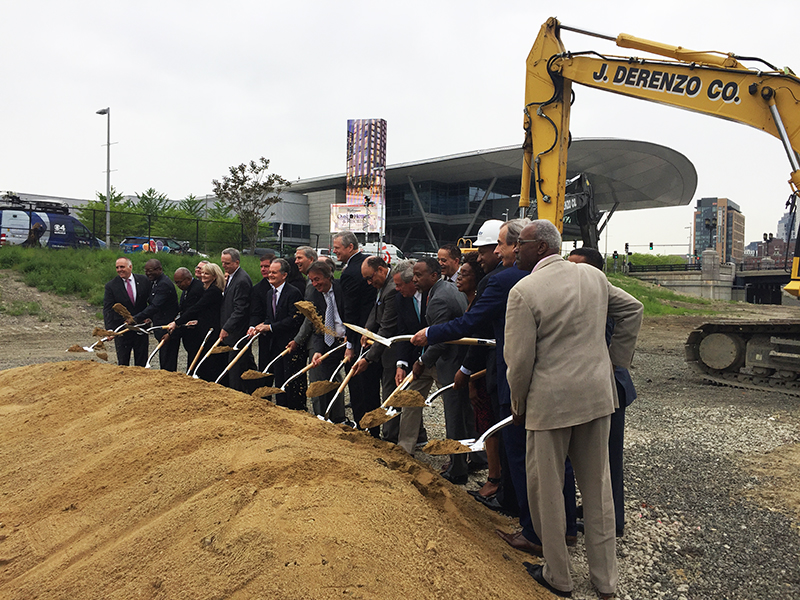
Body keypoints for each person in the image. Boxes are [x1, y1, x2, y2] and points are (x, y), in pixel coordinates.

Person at [505, 220, 642, 599]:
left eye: (521, 243)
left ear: (542, 247)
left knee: (546, 491)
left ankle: (558, 577)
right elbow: (633, 309)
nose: (516, 249)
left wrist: (518, 404)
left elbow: (518, 362)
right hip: (598, 399)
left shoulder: (524, 291)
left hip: (550, 405)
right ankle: (605, 581)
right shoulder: (592, 278)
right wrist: (614, 363)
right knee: (598, 491)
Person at [569, 247, 636, 537]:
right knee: (592, 457)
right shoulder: (579, 292)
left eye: (578, 267)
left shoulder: (602, 291)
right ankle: (599, 508)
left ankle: (613, 521)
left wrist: (614, 361)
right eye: (568, 266)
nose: (572, 273)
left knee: (608, 458)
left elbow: (634, 310)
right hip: (595, 385)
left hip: (610, 387)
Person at [405, 257, 472, 485]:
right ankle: (467, 459)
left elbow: (442, 339)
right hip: (450, 359)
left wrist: (422, 361)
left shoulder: (440, 298)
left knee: (454, 416)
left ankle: (458, 468)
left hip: (450, 361)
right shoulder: (444, 289)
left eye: (419, 274)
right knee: (461, 413)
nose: (414, 278)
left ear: (433, 275)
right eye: (414, 274)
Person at [333, 231, 380, 435]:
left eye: (337, 247)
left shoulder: (351, 272)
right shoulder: (365, 262)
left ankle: (365, 426)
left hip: (360, 334)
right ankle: (375, 426)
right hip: (374, 333)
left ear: (350, 247)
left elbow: (350, 310)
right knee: (371, 385)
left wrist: (350, 344)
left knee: (360, 385)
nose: (334, 251)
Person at [352, 256, 398, 440]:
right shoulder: (382, 286)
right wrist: (368, 330)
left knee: (391, 393)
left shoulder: (393, 288)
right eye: (366, 280)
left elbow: (387, 328)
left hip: (393, 349)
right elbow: (375, 308)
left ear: (381, 269)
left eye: (371, 278)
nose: (370, 283)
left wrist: (369, 358)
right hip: (381, 343)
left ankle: (390, 437)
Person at [249, 258, 304, 410]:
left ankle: (292, 409)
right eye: (269, 272)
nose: (270, 275)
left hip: (288, 343)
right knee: (277, 378)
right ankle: (280, 408)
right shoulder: (269, 293)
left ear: (284, 275)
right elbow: (269, 317)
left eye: (274, 272)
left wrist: (270, 327)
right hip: (273, 344)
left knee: (287, 380)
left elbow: (294, 319)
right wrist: (261, 325)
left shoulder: (293, 293)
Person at [391, 260, 428, 447]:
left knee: (453, 403)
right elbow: (402, 331)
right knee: (410, 400)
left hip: (441, 355)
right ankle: (405, 448)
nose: (396, 289)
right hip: (416, 360)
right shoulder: (401, 299)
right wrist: (401, 364)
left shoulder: (433, 293)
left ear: (413, 282)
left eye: (399, 285)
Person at [168, 262, 225, 381]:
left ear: (214, 276)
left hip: (211, 330)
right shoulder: (207, 289)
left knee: (210, 363)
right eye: (203, 273)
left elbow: (197, 308)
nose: (203, 275)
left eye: (207, 274)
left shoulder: (213, 291)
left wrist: (177, 322)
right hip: (204, 328)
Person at [306, 260, 347, 423]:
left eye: (317, 279)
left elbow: (352, 314)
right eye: (312, 280)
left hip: (347, 340)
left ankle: (341, 418)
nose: (315, 284)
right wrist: (317, 350)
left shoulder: (342, 289)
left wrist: (351, 337)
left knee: (344, 381)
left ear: (328, 276)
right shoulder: (314, 295)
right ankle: (323, 418)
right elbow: (317, 326)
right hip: (327, 341)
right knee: (324, 379)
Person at [132, 258, 179, 371]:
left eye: (151, 270)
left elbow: (155, 306)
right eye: (146, 270)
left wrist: (135, 319)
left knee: (168, 361)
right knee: (163, 358)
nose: (148, 273)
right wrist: (149, 318)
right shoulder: (154, 282)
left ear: (159, 270)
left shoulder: (164, 284)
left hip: (168, 329)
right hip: (159, 326)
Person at [219, 247, 256, 391]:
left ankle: (238, 393)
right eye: (222, 263)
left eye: (227, 263)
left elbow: (240, 309)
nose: (224, 266)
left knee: (236, 367)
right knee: (245, 363)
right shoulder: (231, 277)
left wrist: (227, 327)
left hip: (237, 332)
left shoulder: (241, 280)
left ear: (236, 262)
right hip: (232, 330)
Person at [103, 257, 151, 366]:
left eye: (122, 267)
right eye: (117, 267)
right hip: (122, 330)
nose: (119, 270)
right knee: (123, 362)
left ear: (130, 267)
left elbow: (151, 302)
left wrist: (150, 317)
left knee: (141, 361)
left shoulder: (144, 281)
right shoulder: (111, 286)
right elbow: (107, 309)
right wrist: (110, 329)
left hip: (140, 327)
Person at [171, 267, 205, 371]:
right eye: (176, 283)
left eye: (179, 282)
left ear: (188, 279)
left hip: (197, 330)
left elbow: (192, 310)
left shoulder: (196, 289)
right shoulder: (187, 289)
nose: (178, 285)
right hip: (188, 330)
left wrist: (177, 323)